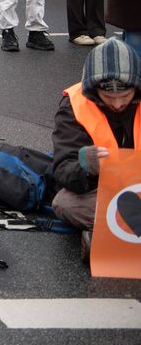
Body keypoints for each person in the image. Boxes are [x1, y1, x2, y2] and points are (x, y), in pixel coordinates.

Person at [52, 39, 140, 259]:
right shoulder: (75, 104)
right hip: (101, 191)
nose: (118, 104)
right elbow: (63, 169)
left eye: (126, 96)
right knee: (65, 204)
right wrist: (86, 167)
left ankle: (110, 235)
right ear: (94, 90)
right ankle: (123, 232)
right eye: (109, 97)